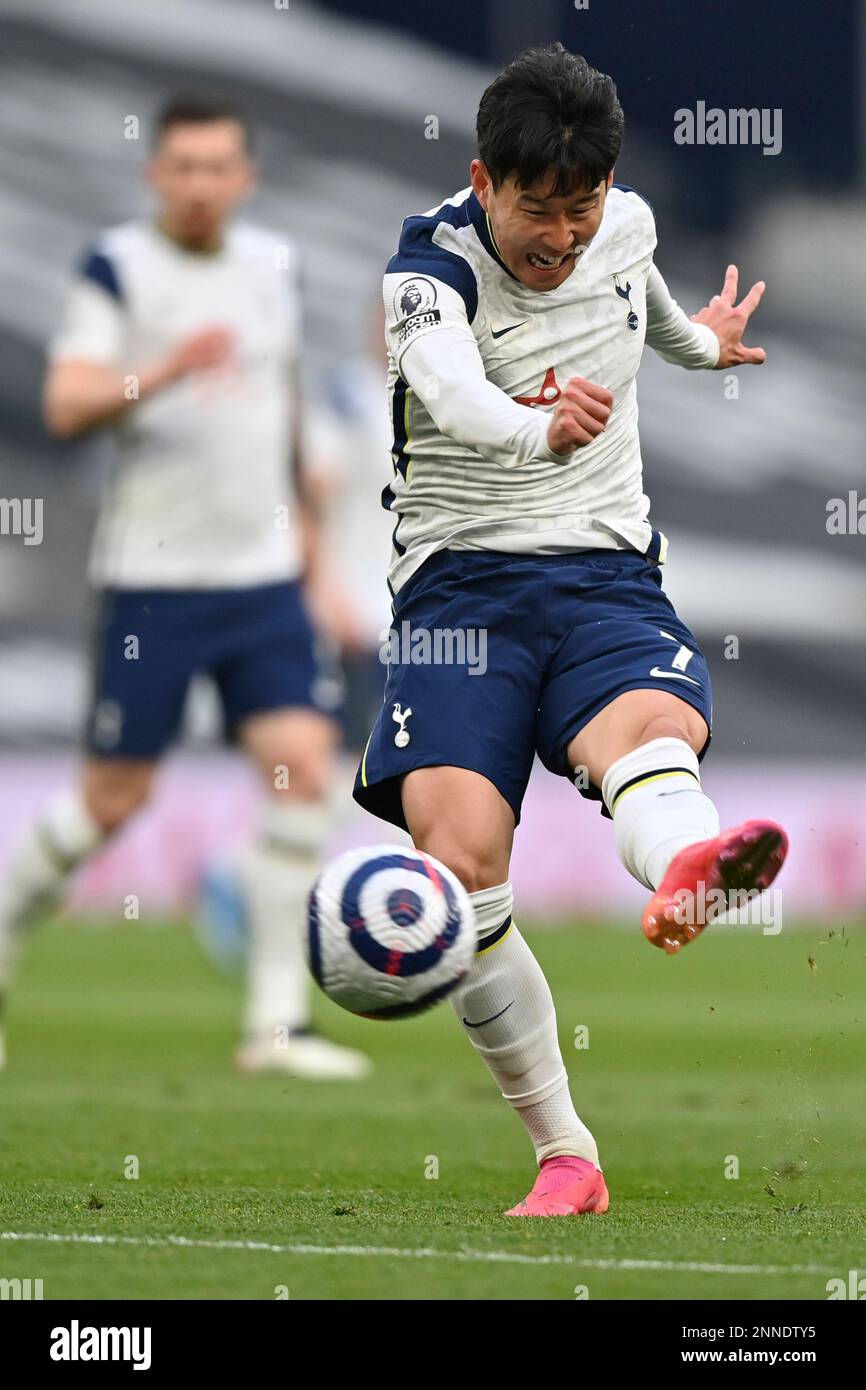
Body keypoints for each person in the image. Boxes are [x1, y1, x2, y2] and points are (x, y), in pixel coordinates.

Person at [353, 44, 787, 1214]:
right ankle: (566, 1152)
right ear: (487, 180)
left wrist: (702, 344)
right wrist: (528, 433)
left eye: (580, 207)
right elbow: (446, 388)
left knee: (645, 734)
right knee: (455, 866)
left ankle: (689, 867)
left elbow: (637, 307)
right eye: (537, 209)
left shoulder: (625, 228)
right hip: (457, 592)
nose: (561, 235)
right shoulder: (424, 267)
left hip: (601, 571)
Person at [0, 94, 369, 1080]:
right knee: (112, 802)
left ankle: (275, 1025)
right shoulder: (117, 268)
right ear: (153, 174)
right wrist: (157, 371)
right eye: (183, 166)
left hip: (261, 579)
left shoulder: (274, 267)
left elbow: (285, 413)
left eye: (218, 167)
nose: (200, 184)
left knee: (300, 768)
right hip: (152, 581)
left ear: (244, 178)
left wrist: (316, 563)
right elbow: (66, 400)